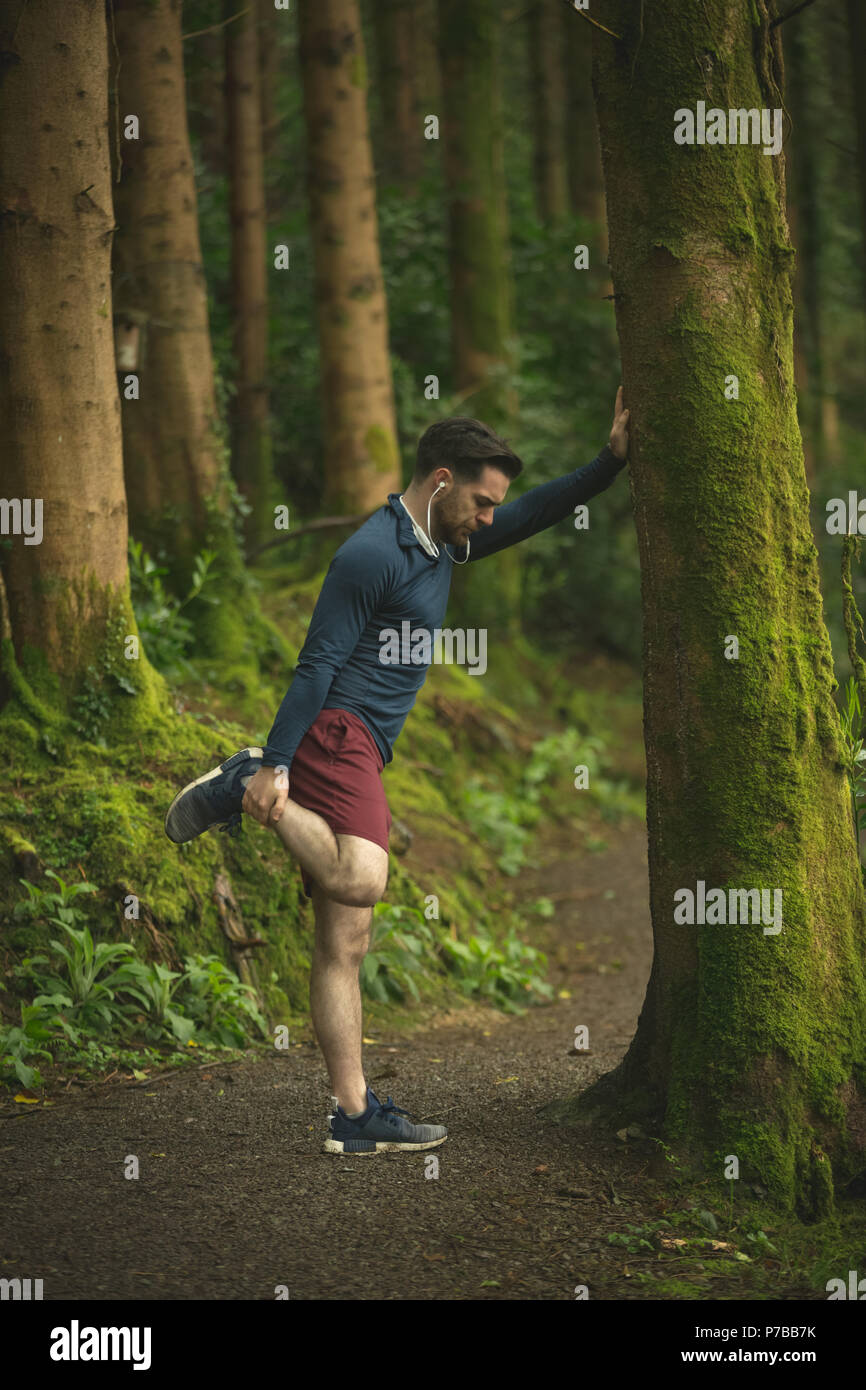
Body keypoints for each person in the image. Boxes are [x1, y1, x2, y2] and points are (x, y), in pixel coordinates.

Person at [164, 390, 630, 1154]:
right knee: (363, 880)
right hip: (337, 733)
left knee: (344, 944)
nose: (487, 518)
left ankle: (351, 1117)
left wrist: (609, 462)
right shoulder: (373, 554)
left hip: (364, 744)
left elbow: (539, 510)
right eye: (480, 502)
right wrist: (275, 765)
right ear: (441, 481)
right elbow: (317, 661)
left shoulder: (447, 542)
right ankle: (242, 778)